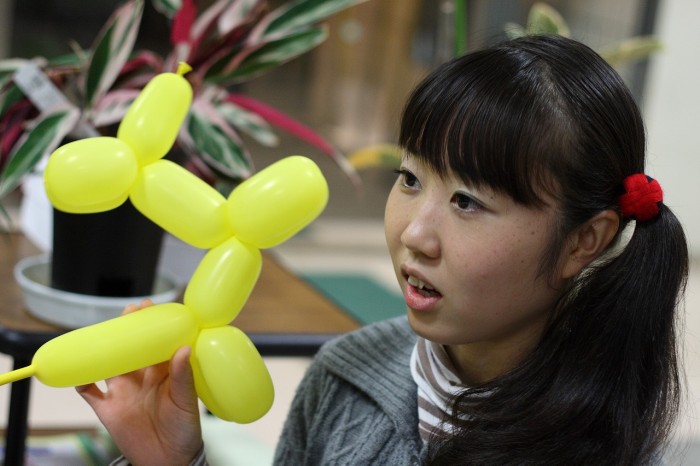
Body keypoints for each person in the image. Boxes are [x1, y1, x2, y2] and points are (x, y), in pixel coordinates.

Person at [77, 34, 688, 465]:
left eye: (468, 202)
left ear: (584, 241)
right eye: (410, 178)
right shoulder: (345, 375)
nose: (414, 234)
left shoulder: (616, 445)